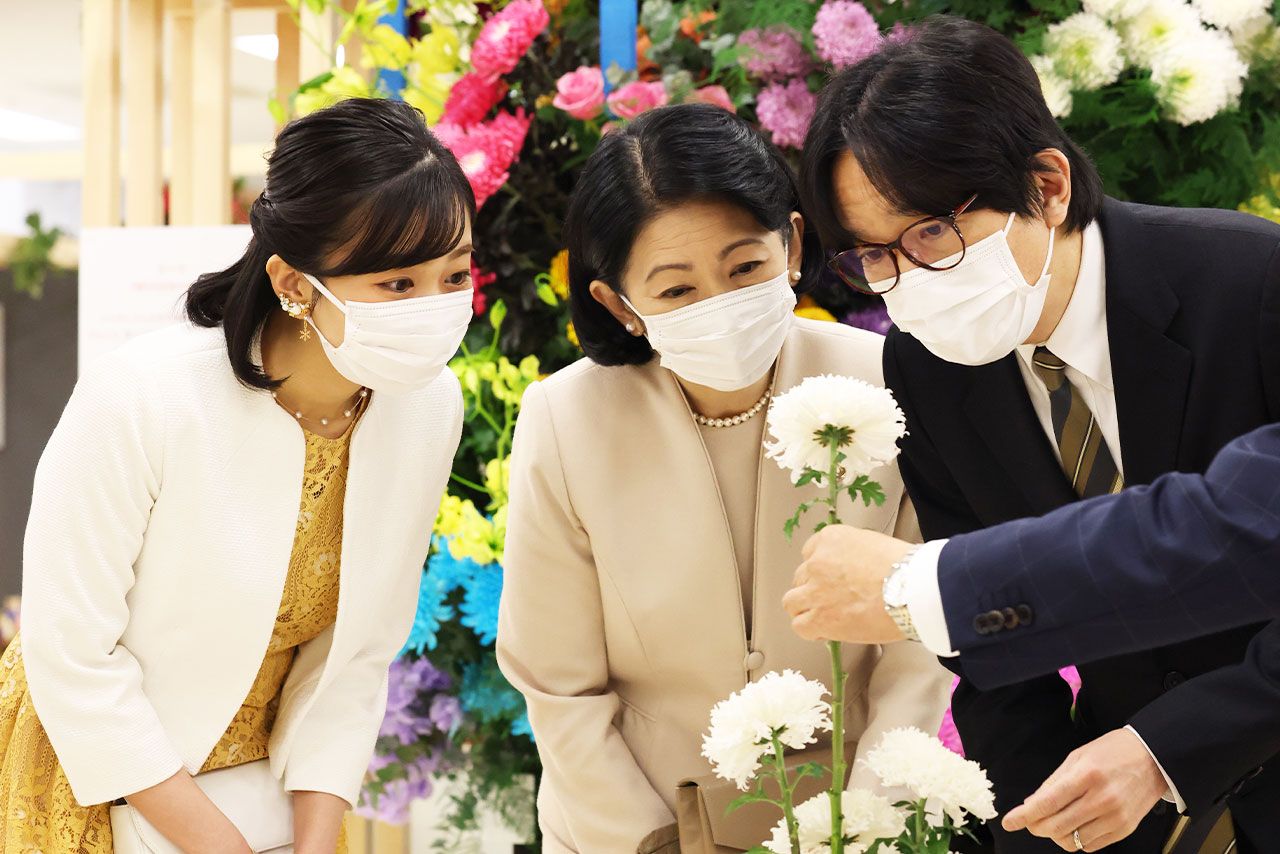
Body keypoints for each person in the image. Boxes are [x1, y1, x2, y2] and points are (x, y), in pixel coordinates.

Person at [798, 15, 1280, 854]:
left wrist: (1169, 749)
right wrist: (1040, 828)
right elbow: (993, 662)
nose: (907, 286)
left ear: (1047, 186)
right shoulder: (927, 364)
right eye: (873, 257)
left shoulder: (1252, 283)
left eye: (931, 234)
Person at [1, 98, 473, 853]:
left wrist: (315, 841)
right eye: (397, 284)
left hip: (265, 791)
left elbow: (355, 655)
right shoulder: (145, 394)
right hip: (100, 769)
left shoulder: (427, 405)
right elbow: (72, 652)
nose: (437, 310)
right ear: (293, 282)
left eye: (455, 275)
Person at [495, 104, 952, 854]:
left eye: (744, 269)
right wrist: (651, 843)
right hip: (636, 827)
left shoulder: (886, 383)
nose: (720, 306)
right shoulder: (565, 420)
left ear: (792, 244)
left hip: (848, 816)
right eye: (676, 291)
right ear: (619, 303)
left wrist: (865, 827)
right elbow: (558, 685)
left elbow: (915, 650)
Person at [786, 422, 1280, 854]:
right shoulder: (934, 366)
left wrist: (934, 589)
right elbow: (997, 683)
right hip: (1101, 810)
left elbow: (1246, 517)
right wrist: (1036, 829)